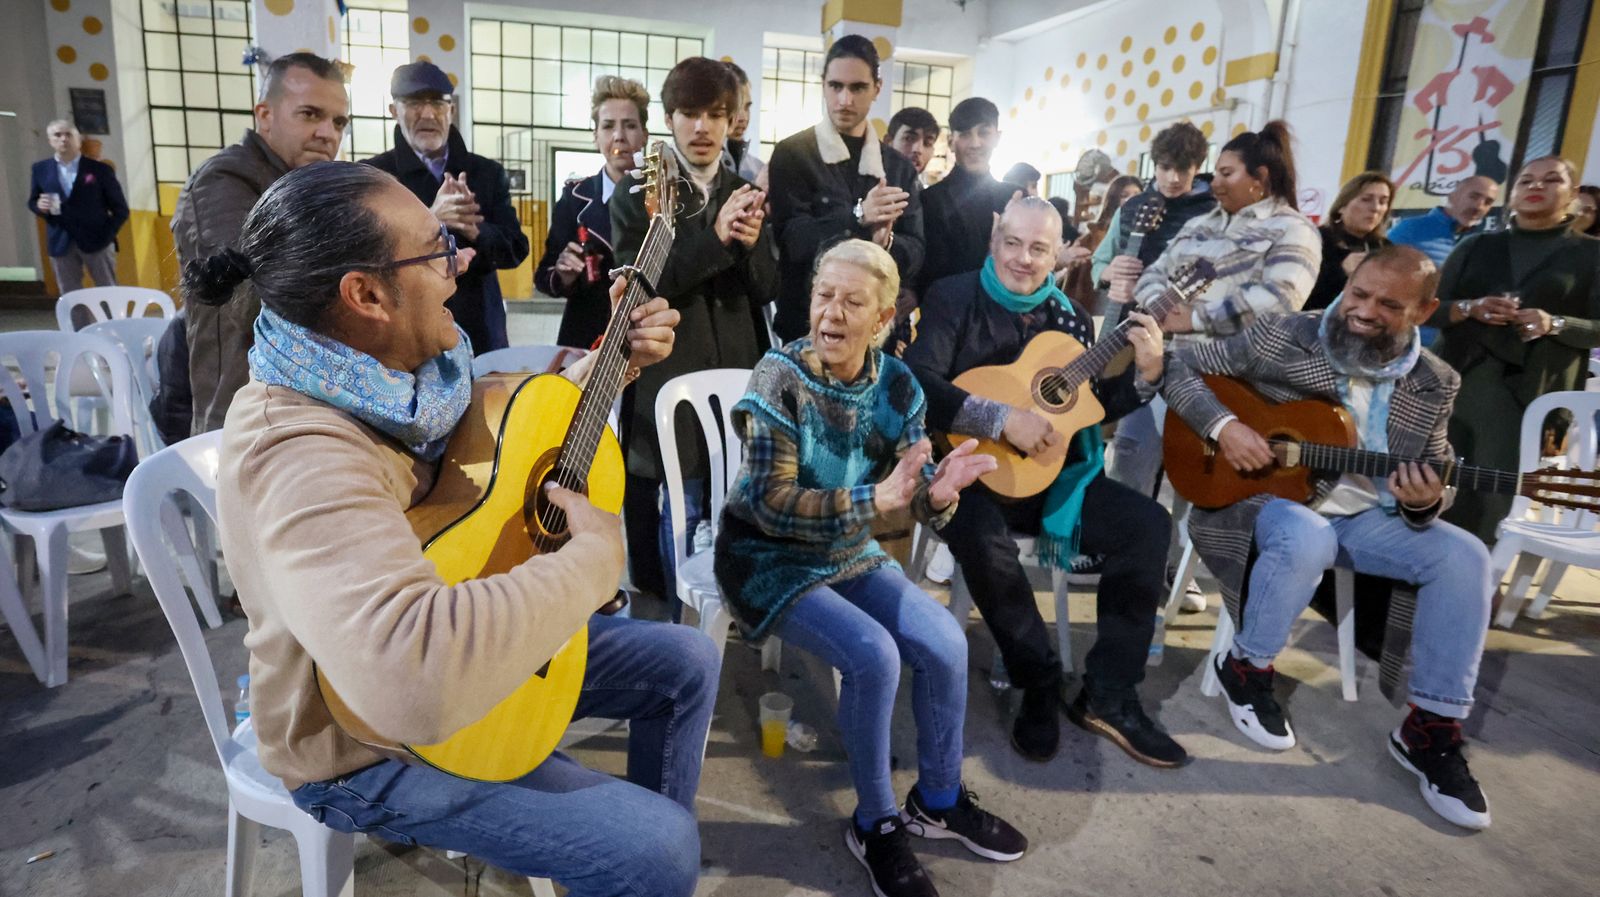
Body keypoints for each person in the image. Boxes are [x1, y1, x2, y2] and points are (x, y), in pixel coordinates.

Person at [197, 161, 716, 895]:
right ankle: (632, 859)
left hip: (449, 615)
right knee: (659, 848)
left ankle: (614, 866)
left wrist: (608, 366)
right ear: (365, 293)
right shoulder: (299, 450)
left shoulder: (388, 377)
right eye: (438, 248)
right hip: (358, 739)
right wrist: (592, 562)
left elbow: (485, 451)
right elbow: (412, 678)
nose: (463, 260)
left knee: (687, 660)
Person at [715, 239, 1026, 897]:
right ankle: (876, 822)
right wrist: (872, 499)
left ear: (883, 320)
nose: (831, 312)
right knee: (874, 655)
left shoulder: (898, 385)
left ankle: (938, 801)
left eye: (852, 302)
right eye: (824, 296)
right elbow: (769, 501)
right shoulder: (780, 374)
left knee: (943, 640)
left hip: (845, 546)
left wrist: (936, 495)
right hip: (764, 554)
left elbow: (910, 491)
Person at [1162, 245, 1494, 830]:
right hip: (1262, 502)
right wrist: (1225, 425)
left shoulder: (1435, 382)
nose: (1363, 311)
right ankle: (1246, 667)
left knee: (1465, 554)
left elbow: (1437, 468)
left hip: (1367, 518)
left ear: (1424, 310)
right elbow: (1176, 365)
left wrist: (1427, 501)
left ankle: (1430, 726)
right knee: (1308, 533)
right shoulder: (1282, 336)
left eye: (1388, 304)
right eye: (1358, 294)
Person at [903, 197, 1186, 767]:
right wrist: (1004, 418)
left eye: (1039, 249)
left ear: (1060, 254)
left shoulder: (1072, 318)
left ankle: (1108, 691)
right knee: (985, 542)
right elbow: (919, 382)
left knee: (1148, 525)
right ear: (994, 240)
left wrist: (1150, 371)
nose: (1024, 260)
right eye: (1013, 243)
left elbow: (1090, 406)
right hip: (966, 474)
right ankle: (1037, 678)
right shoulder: (953, 296)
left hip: (1051, 477)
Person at [611, 56, 778, 608]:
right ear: (669, 118)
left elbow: (769, 286)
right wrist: (719, 239)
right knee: (678, 503)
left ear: (733, 121)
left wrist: (751, 247)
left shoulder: (746, 189)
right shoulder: (638, 194)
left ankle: (732, 606)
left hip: (740, 374)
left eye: (716, 113)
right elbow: (642, 283)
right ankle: (678, 616)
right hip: (669, 377)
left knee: (734, 496)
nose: (702, 127)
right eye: (689, 113)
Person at [1113, 121, 1320, 501]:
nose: (1217, 182)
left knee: (1204, 485)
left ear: (1261, 177)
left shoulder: (1293, 230)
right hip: (1160, 365)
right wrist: (1162, 307)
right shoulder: (1200, 224)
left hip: (1233, 383)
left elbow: (1279, 300)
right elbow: (1153, 274)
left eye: (1227, 173)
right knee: (1131, 460)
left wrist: (1195, 318)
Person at [173, 51, 349, 435]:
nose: (328, 133)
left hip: (308, 410)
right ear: (265, 115)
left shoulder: (309, 186)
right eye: (310, 114)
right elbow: (252, 302)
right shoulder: (224, 181)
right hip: (243, 419)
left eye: (339, 122)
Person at [1428, 156, 1600, 543]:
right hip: (1453, 382)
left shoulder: (1591, 255)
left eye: (1551, 179)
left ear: (1572, 194)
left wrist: (1554, 323)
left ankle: (1482, 578)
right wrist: (1469, 308)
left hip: (1528, 393)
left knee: (1497, 494)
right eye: (1526, 181)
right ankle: (1419, 574)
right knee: (1434, 483)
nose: (1536, 187)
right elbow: (1428, 309)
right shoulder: (1476, 246)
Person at [364, 61, 529, 355]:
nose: (428, 114)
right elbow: (366, 259)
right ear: (394, 111)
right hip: (407, 331)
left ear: (451, 110)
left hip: (479, 325)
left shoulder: (486, 173)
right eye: (414, 103)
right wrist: (432, 219)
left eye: (438, 104)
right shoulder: (374, 176)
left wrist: (476, 229)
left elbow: (515, 250)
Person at [768, 35, 924, 344]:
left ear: (877, 88)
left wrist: (886, 242)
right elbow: (793, 242)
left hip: (873, 332)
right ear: (823, 84)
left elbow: (917, 251)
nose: (845, 100)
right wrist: (858, 217)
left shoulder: (897, 167)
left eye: (857, 88)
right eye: (835, 86)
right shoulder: (793, 154)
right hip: (806, 329)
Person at [534, 75, 650, 349]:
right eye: (608, 126)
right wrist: (563, 273)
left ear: (644, 135)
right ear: (596, 136)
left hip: (646, 335)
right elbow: (543, 276)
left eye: (630, 125)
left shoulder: (666, 196)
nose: (619, 135)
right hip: (587, 337)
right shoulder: (574, 198)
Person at [1094, 122, 1217, 306]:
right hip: (1123, 322)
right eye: (1165, 168)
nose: (1173, 178)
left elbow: (1215, 277)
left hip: (1181, 324)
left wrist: (1143, 294)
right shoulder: (1130, 208)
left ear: (1197, 168)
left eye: (1183, 169)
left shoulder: (1213, 213)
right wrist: (1107, 273)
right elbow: (1099, 261)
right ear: (1155, 165)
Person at [915, 97, 1019, 294]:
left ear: (997, 138)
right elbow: (929, 273)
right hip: (947, 312)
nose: (975, 143)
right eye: (965, 134)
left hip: (1008, 310)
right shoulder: (930, 200)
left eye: (984, 133)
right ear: (950, 142)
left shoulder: (1013, 197)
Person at [28, 118, 128, 293]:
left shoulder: (100, 170)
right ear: (50, 140)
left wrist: (107, 236)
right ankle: (78, 322)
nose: (63, 139)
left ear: (78, 139)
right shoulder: (40, 169)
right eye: (57, 135)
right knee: (69, 294)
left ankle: (113, 321)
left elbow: (121, 209)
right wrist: (38, 206)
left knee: (109, 291)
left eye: (68, 134)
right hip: (60, 240)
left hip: (98, 240)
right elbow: (33, 200)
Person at [1305, 172, 1394, 310]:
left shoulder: (1385, 249)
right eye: (1366, 199)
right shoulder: (1314, 239)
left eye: (1383, 202)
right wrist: (1340, 271)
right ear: (1342, 206)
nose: (1375, 208)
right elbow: (1296, 295)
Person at [1387, 175, 1500, 265]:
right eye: (1473, 197)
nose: (1479, 207)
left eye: (1488, 202)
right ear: (1452, 196)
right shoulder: (1410, 229)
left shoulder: (1480, 242)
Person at [722, 60, 766, 184]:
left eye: (747, 107)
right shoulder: (679, 170)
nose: (743, 117)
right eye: (735, 107)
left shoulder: (758, 170)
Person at [886, 106, 940, 181]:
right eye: (909, 139)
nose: (918, 149)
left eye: (927, 143)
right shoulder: (868, 186)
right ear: (888, 141)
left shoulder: (929, 192)